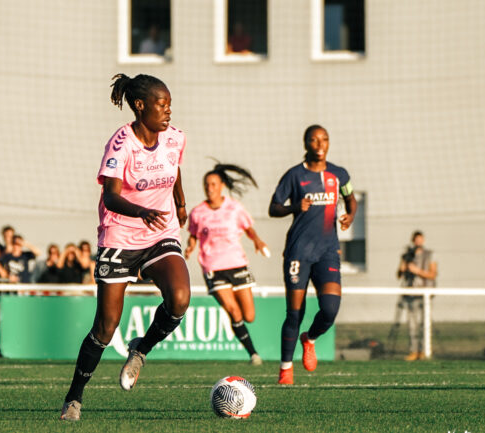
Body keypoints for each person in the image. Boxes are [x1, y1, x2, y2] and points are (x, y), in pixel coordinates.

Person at [60, 73, 190, 421]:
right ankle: (74, 397)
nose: (168, 111)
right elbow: (112, 196)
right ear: (140, 105)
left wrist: (179, 203)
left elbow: (175, 169)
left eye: (170, 104)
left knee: (179, 300)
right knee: (105, 327)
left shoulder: (175, 137)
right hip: (120, 235)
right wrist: (142, 210)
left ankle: (141, 348)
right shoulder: (121, 143)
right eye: (161, 104)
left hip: (160, 233)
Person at [268, 125, 357, 385]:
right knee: (294, 313)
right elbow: (274, 207)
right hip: (298, 252)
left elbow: (351, 199)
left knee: (330, 309)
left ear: (328, 143)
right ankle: (286, 369)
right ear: (305, 143)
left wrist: (350, 216)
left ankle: (310, 339)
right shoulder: (294, 176)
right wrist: (295, 207)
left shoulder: (339, 174)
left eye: (324, 139)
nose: (319, 144)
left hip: (328, 251)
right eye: (314, 139)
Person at [184, 163, 268, 366]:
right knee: (234, 311)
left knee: (249, 316)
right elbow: (193, 235)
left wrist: (257, 240)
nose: (209, 187)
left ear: (221, 185)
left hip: (237, 264)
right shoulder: (198, 212)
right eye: (207, 184)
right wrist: (189, 248)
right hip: (213, 267)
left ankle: (250, 347)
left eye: (213, 184)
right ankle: (253, 354)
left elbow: (248, 228)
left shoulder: (234, 207)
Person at [396, 230, 437, 361]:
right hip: (411, 293)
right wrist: (403, 267)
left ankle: (425, 350)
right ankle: (414, 350)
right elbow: (399, 275)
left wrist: (417, 271)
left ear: (423, 240)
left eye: (420, 239)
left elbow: (432, 274)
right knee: (412, 324)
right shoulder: (407, 256)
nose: (418, 242)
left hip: (425, 293)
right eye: (416, 239)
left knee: (424, 323)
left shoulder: (430, 255)